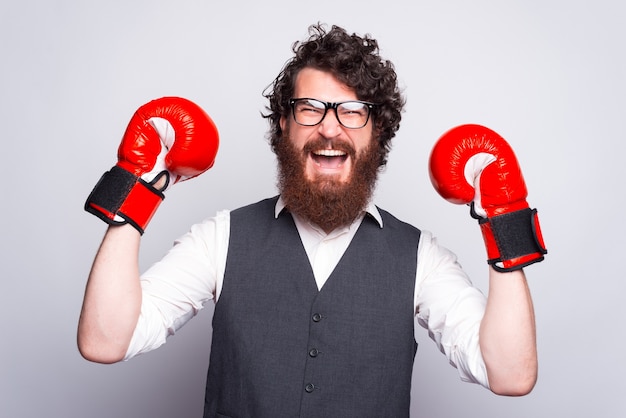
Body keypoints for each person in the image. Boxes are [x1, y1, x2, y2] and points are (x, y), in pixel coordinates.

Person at [78, 23, 546, 418]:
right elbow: (105, 341)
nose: (329, 127)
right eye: (310, 109)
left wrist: (501, 220)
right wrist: (135, 189)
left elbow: (510, 374)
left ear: (376, 130)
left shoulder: (421, 256)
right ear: (284, 124)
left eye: (352, 111)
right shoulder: (220, 238)